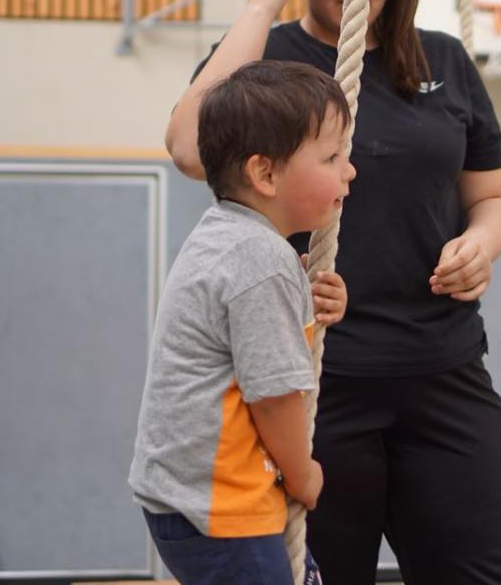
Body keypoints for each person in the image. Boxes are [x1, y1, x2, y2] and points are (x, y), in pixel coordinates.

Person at [165, 0, 501, 585]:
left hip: (443, 366)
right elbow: (186, 148)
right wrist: (262, 2)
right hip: (321, 381)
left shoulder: (445, 61)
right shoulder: (269, 63)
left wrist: (481, 244)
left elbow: (490, 197)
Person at [129, 60, 355, 585]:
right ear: (265, 173)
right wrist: (304, 476)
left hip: (184, 499)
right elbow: (274, 397)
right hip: (220, 508)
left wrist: (308, 295)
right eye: (333, 157)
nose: (350, 171)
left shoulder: (230, 237)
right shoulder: (259, 260)